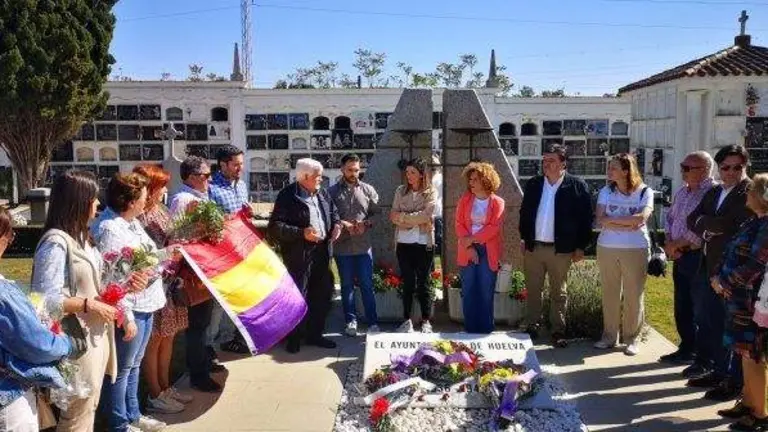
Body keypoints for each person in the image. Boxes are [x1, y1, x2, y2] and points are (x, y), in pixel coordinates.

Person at [31, 170, 121, 432]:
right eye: (93, 198)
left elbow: (94, 283)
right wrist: (87, 305)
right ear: (78, 201)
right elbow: (43, 298)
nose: (97, 205)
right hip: (75, 341)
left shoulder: (83, 239)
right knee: (76, 414)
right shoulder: (56, 243)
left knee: (88, 407)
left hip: (95, 335)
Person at [92, 173, 168, 432]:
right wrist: (126, 316)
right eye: (144, 195)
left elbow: (145, 257)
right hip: (129, 307)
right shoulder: (110, 229)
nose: (147, 199)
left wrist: (166, 256)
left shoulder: (131, 223)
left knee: (134, 364)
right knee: (121, 369)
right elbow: (112, 278)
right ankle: (118, 423)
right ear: (130, 199)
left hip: (145, 301)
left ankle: (133, 415)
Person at [687, 144, 753, 401]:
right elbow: (693, 218)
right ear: (719, 167)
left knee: (732, 328)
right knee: (711, 322)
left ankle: (734, 381)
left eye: (738, 167)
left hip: (732, 272)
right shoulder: (714, 191)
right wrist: (708, 228)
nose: (732, 172)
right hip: (708, 267)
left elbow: (733, 224)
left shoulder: (749, 191)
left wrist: (709, 225)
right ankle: (718, 370)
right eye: (726, 167)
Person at [0, 206, 73, 432]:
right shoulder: (3, 294)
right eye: (9, 235)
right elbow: (36, 344)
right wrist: (65, 342)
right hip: (9, 396)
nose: (10, 241)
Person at [709, 173, 768, 430]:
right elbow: (732, 250)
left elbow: (757, 263)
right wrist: (717, 276)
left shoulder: (767, 226)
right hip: (738, 298)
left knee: (753, 355)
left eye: (751, 190)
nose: (747, 194)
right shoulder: (755, 221)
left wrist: (726, 282)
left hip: (751, 300)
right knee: (744, 352)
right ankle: (747, 400)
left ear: (762, 197)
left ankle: (759, 414)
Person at [519, 144, 593, 347]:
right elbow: (525, 213)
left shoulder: (576, 186)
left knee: (558, 292)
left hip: (561, 249)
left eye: (551, 160)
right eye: (545, 160)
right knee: (533, 289)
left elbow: (586, 219)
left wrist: (580, 247)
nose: (546, 164)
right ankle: (532, 325)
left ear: (563, 163)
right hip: (534, 247)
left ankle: (557, 330)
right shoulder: (534, 184)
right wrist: (524, 238)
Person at [133, 165, 192, 414]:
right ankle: (155, 393)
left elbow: (173, 234)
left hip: (168, 283)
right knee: (154, 341)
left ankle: (166, 387)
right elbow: (144, 254)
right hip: (152, 284)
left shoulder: (160, 209)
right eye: (161, 186)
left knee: (168, 337)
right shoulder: (139, 218)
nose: (165, 190)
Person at [267, 158, 341, 354]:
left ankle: (316, 335)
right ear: (305, 177)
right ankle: (294, 338)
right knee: (298, 296)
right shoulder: (287, 196)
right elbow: (275, 227)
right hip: (299, 255)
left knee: (322, 295)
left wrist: (337, 225)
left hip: (323, 253)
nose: (321, 180)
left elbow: (333, 212)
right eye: (318, 177)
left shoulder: (322, 193)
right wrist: (302, 233)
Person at [168, 156, 224, 393]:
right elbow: (177, 236)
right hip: (193, 272)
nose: (210, 179)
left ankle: (204, 362)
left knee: (204, 321)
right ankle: (198, 375)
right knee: (197, 325)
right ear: (191, 177)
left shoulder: (200, 197)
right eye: (205, 175)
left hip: (205, 269)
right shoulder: (184, 200)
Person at [658, 151, 715, 372]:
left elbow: (702, 229)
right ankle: (687, 348)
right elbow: (671, 219)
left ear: (704, 170)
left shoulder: (710, 193)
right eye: (682, 166)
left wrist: (679, 245)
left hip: (698, 257)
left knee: (701, 309)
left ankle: (704, 358)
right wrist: (670, 243)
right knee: (682, 306)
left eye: (687, 168)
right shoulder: (682, 192)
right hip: (680, 256)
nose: (682, 171)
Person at [594, 153, 654, 356]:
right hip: (607, 247)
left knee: (633, 295)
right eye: (609, 166)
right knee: (609, 293)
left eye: (614, 167)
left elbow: (641, 218)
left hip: (635, 248)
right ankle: (609, 336)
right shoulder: (606, 191)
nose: (609, 171)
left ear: (626, 170)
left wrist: (613, 221)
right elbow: (600, 218)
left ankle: (632, 338)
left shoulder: (645, 192)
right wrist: (627, 222)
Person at [328, 154, 380, 336]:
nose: (354, 173)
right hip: (342, 247)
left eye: (357, 170)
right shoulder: (332, 192)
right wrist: (342, 223)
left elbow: (377, 214)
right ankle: (351, 321)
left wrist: (365, 224)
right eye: (350, 170)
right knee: (347, 286)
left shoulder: (368, 190)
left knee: (367, 285)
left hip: (363, 247)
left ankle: (373, 322)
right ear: (342, 169)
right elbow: (328, 216)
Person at [207, 145, 250, 355]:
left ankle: (227, 338)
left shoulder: (241, 185)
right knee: (218, 301)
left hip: (240, 249)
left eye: (241, 164)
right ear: (222, 164)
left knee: (236, 297)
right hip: (220, 252)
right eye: (235, 165)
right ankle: (208, 344)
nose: (239, 168)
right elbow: (209, 221)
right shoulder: (211, 187)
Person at [455, 162, 505, 334]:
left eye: (475, 179)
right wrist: (468, 246)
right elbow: (459, 224)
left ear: (486, 180)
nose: (471, 183)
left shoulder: (498, 202)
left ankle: (485, 331)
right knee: (468, 290)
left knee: (485, 291)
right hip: (466, 249)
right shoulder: (465, 200)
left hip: (487, 250)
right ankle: (470, 330)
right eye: (470, 179)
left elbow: (493, 228)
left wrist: (472, 240)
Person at [390, 157, 437, 334]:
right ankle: (406, 320)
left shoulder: (430, 192)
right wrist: (411, 218)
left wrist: (404, 218)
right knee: (408, 282)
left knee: (423, 283)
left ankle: (426, 320)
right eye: (407, 172)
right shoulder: (400, 191)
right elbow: (393, 215)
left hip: (424, 243)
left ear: (421, 174)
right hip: (404, 243)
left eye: (413, 172)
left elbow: (427, 215)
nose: (409, 176)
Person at [431, 154, 444, 257]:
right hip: (426, 216)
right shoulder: (425, 178)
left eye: (435, 164)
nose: (433, 166)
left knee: (439, 241)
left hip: (438, 215)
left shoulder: (441, 178)